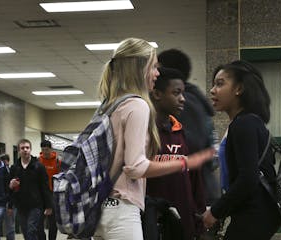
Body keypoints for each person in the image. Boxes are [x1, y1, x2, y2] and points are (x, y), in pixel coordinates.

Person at [92, 37, 214, 240]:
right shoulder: (137, 105)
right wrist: (185, 161)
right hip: (123, 208)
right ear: (140, 69)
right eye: (154, 67)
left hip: (101, 207)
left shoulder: (109, 104)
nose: (157, 73)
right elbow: (135, 167)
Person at [202, 60, 281, 239]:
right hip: (255, 214)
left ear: (239, 89)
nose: (213, 90)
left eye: (220, 84)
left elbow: (248, 178)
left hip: (253, 216)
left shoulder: (244, 124)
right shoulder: (247, 122)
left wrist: (216, 211)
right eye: (214, 84)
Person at [146, 67, 204, 240]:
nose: (182, 99)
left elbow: (195, 181)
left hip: (183, 225)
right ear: (157, 94)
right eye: (176, 93)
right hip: (151, 224)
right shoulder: (143, 133)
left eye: (183, 93)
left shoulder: (184, 134)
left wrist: (199, 221)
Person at [158, 49, 219, 210]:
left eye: (158, 68)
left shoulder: (185, 105)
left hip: (197, 194)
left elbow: (191, 148)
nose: (154, 74)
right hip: (196, 191)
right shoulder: (192, 100)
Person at [9, 139, 52, 240]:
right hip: (21, 206)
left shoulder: (38, 166)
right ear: (19, 151)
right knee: (26, 232)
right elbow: (10, 188)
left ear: (30, 149)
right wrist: (11, 186)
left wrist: (48, 206)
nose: (25, 150)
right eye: (22, 148)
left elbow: (45, 187)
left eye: (27, 148)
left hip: (36, 205)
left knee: (31, 230)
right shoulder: (15, 167)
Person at [38, 140, 60, 240]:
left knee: (52, 222)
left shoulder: (57, 161)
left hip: (53, 194)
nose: (45, 152)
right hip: (40, 194)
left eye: (47, 150)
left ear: (51, 149)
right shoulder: (38, 161)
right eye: (43, 150)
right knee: (39, 221)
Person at [0, 153, 15, 240]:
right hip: (0, 202)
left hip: (9, 202)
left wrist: (10, 205)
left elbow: (12, 190)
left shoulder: (12, 171)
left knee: (10, 227)